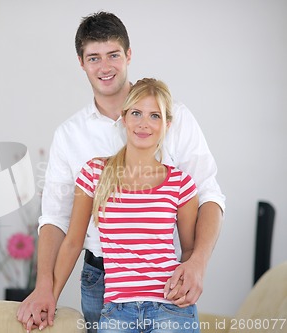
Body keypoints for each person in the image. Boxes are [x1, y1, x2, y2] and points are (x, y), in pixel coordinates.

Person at [16, 11, 225, 333]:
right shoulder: (70, 135)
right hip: (101, 279)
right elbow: (56, 219)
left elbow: (208, 193)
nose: (105, 66)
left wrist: (196, 263)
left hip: (164, 285)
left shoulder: (177, 117)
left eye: (113, 54)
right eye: (94, 57)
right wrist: (46, 286)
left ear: (128, 55)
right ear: (81, 63)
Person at [53, 78, 200, 332]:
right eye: (136, 113)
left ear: (167, 124)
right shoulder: (94, 173)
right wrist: (49, 296)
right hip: (116, 312)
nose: (144, 123)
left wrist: (185, 289)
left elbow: (188, 252)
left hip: (171, 310)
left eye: (155, 115)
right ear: (124, 118)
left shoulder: (181, 183)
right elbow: (73, 242)